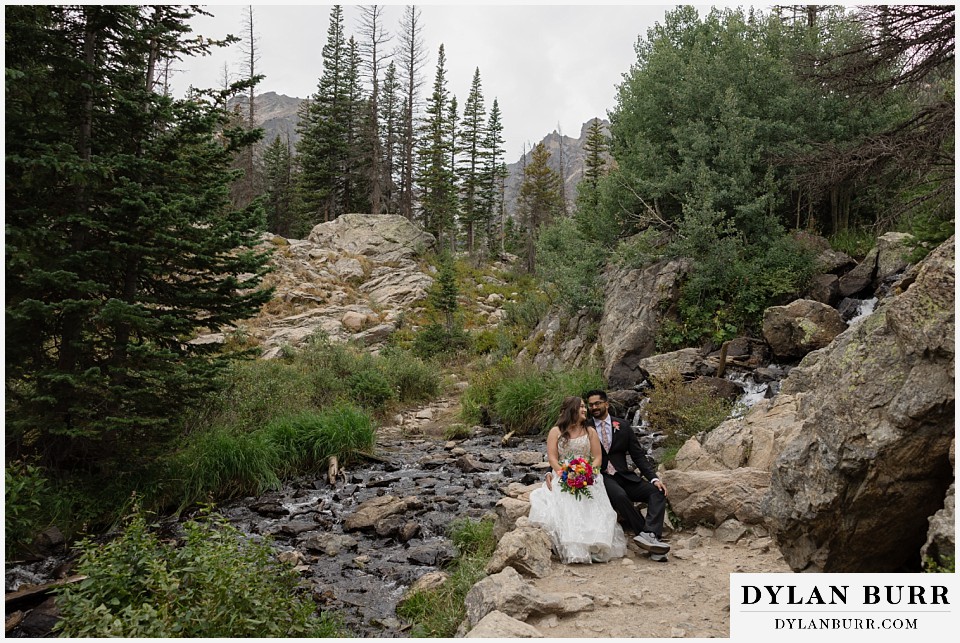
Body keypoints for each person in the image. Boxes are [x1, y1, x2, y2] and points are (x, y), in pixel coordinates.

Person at [528, 396, 627, 564]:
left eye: (584, 407)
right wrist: (563, 473)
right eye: (581, 407)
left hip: (588, 474)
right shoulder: (556, 431)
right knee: (565, 503)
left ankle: (594, 546)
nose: (585, 409)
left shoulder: (590, 432)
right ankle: (573, 547)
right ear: (571, 410)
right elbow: (552, 458)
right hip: (564, 473)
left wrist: (589, 472)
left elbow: (597, 458)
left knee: (591, 501)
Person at [585, 388, 671, 557]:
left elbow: (638, 455)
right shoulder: (585, 427)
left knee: (657, 492)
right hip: (601, 477)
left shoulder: (623, 426)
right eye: (590, 405)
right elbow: (568, 449)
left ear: (606, 404)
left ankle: (650, 534)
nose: (594, 407)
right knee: (620, 496)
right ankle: (647, 537)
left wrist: (654, 478)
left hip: (624, 475)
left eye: (597, 403)